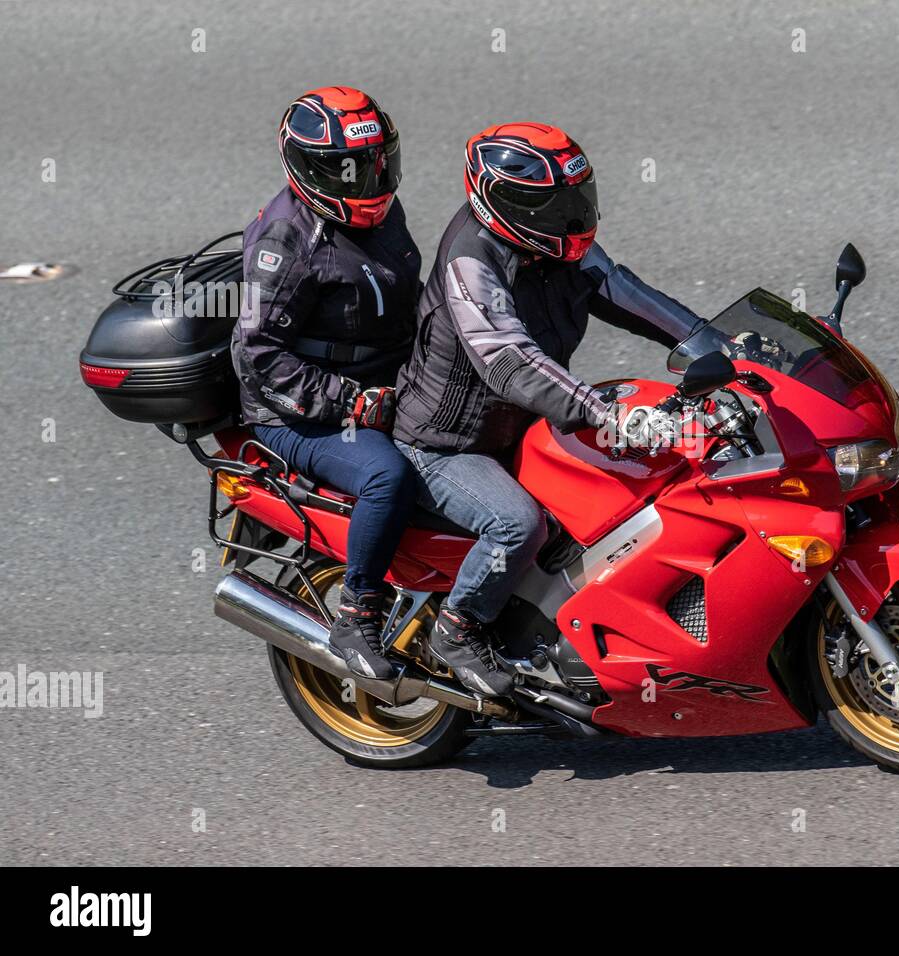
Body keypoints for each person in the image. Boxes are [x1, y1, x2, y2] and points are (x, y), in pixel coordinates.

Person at [393, 122, 701, 697]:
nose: (575, 217)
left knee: (634, 492)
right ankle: (458, 629)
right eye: (558, 206)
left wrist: (710, 341)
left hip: (518, 426)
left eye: (577, 200)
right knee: (517, 524)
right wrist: (600, 409)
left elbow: (624, 292)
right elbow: (508, 358)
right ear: (511, 207)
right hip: (446, 444)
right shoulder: (472, 260)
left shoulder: (552, 245)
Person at [231, 86, 422, 681]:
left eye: (377, 162)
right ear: (310, 169)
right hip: (297, 413)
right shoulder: (286, 243)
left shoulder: (381, 209)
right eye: (350, 170)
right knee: (386, 476)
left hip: (385, 374)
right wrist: (354, 403)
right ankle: (356, 615)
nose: (369, 180)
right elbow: (256, 353)